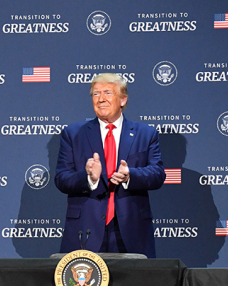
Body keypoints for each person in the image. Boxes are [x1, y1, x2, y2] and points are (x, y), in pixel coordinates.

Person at [55, 73, 165, 257]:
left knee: (133, 285)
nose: (101, 99)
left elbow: (157, 174)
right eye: (96, 94)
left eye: (107, 93)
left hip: (131, 229)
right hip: (86, 229)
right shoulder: (73, 134)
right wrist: (88, 177)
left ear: (123, 99)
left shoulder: (146, 134)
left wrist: (131, 175)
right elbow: (61, 178)